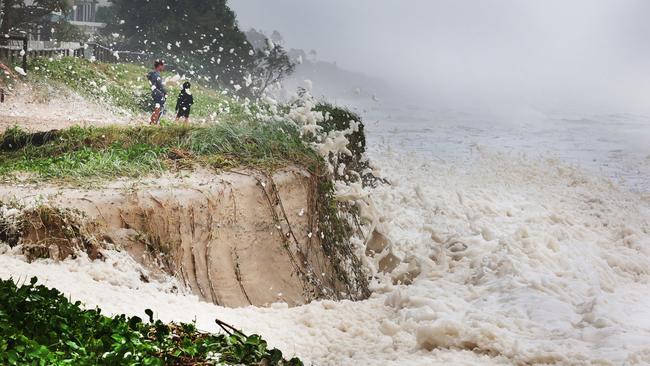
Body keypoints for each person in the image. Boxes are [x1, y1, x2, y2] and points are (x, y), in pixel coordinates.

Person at [148, 60, 167, 125]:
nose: (164, 67)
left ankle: (152, 122)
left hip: (155, 92)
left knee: (157, 108)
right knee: (158, 109)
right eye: (163, 66)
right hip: (158, 93)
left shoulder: (153, 73)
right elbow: (160, 86)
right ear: (159, 66)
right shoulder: (157, 75)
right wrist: (165, 92)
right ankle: (153, 123)